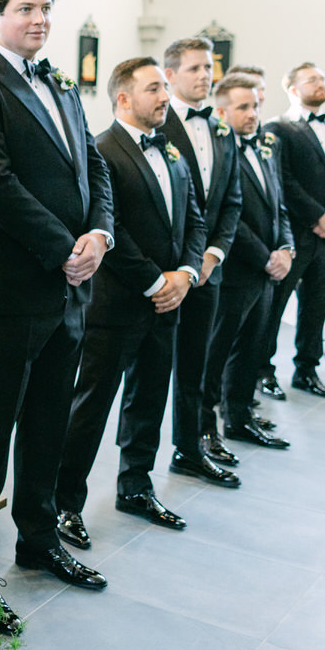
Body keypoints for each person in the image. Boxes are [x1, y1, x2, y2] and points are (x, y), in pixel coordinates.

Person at [0, 0, 112, 607]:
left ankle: (39, 540)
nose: (39, 18)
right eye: (25, 9)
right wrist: (61, 247)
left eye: (46, 8)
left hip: (72, 288)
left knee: (48, 421)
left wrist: (99, 235)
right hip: (13, 290)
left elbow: (93, 163)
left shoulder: (62, 83)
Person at [55, 57, 205, 533]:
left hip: (168, 301)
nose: (165, 96)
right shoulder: (102, 149)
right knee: (91, 406)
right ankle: (64, 504)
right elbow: (106, 225)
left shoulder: (174, 152)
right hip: (116, 304)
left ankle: (136, 487)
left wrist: (185, 273)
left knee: (149, 400)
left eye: (164, 87)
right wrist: (155, 281)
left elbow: (194, 218)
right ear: (123, 97)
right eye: (154, 88)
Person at [159, 36, 242, 488]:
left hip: (208, 271)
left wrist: (212, 255)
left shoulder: (222, 129)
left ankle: (188, 449)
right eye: (194, 68)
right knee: (147, 379)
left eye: (208, 68)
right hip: (165, 272)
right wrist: (188, 262)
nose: (205, 76)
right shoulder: (155, 123)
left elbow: (231, 200)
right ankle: (132, 472)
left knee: (196, 363)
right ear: (170, 75)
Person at [202, 75, 293, 451]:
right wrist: (265, 257)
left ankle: (239, 417)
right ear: (222, 111)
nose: (253, 114)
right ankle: (205, 429)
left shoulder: (266, 148)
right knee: (217, 352)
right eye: (243, 107)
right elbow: (228, 217)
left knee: (253, 348)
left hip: (267, 272)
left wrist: (286, 247)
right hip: (236, 269)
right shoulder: (218, 151)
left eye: (256, 106)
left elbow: (279, 204)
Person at [258, 62, 325, 401]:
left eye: (323, 79)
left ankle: (306, 369)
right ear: (291, 88)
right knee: (273, 307)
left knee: (316, 304)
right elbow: (282, 180)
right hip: (295, 233)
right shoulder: (278, 127)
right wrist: (318, 216)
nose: (320, 83)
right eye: (312, 79)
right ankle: (262, 370)